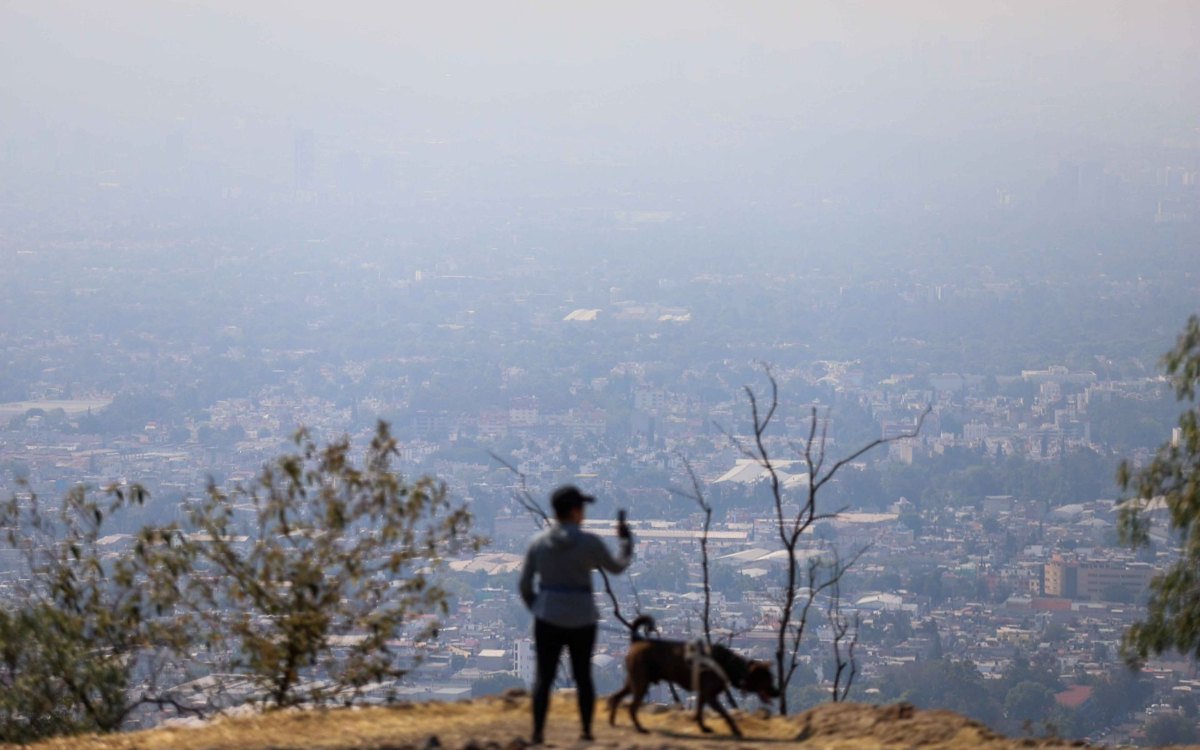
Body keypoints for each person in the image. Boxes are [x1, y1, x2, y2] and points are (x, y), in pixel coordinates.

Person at [519, 485, 634, 744]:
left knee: (543, 677)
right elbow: (616, 567)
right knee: (583, 676)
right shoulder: (588, 542)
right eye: (581, 508)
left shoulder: (538, 543)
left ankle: (538, 732)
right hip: (582, 616)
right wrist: (626, 541)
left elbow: (525, 585)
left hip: (547, 615)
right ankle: (586, 731)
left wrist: (538, 605)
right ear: (574, 511)